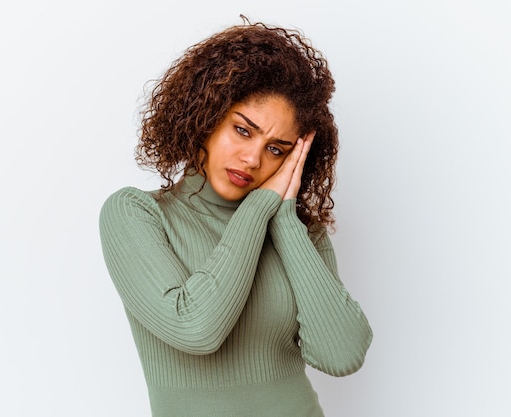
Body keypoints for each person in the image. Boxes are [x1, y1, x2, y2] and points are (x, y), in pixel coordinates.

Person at [99, 18, 372, 417]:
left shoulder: (299, 232)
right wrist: (259, 208)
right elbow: (197, 329)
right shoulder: (137, 214)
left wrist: (283, 221)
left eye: (277, 149)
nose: (253, 159)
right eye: (243, 130)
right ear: (206, 115)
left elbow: (342, 355)